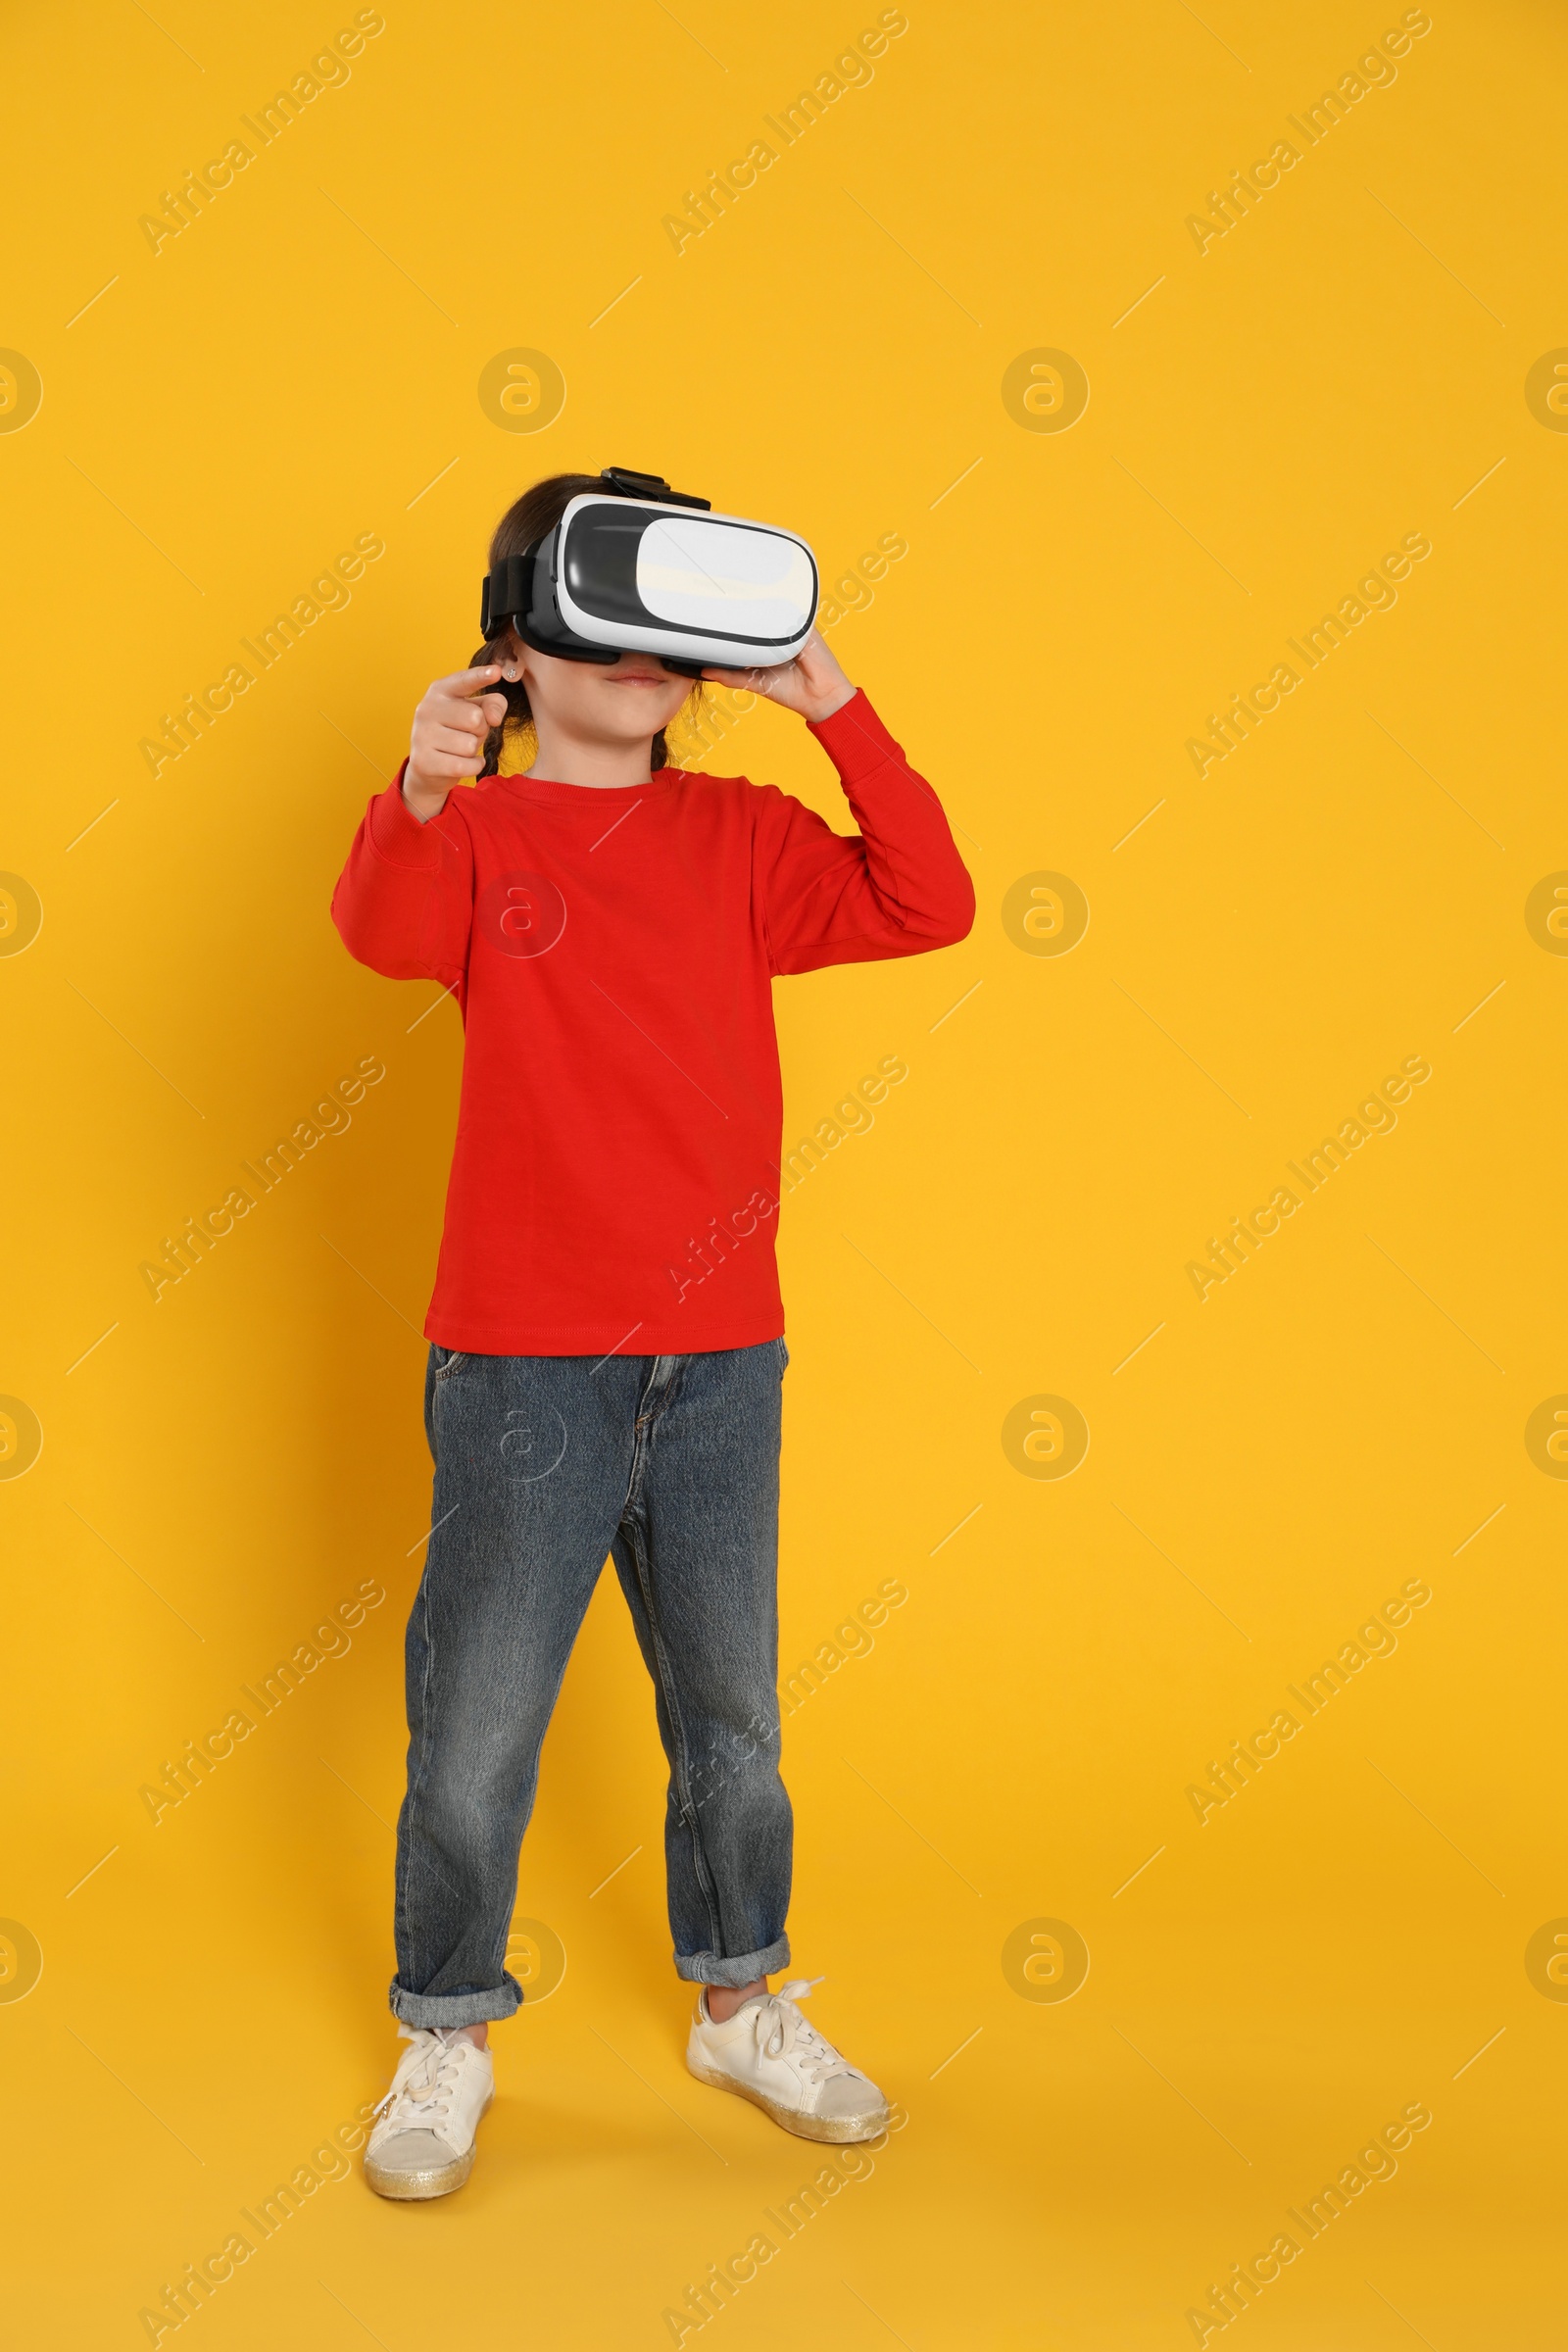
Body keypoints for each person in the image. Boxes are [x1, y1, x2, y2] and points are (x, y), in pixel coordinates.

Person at [330, 468, 974, 2200]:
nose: (630, 652)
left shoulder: (748, 842)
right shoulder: (472, 837)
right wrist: (416, 782)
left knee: (732, 1715)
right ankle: (446, 2026)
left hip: (720, 1359)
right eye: (590, 615)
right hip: (523, 1359)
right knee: (478, 1719)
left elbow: (933, 899)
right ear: (516, 650)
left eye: (658, 625)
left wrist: (827, 701)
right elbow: (381, 933)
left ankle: (741, 1999)